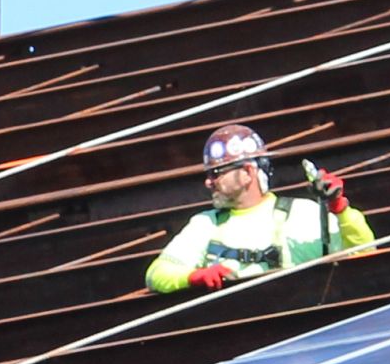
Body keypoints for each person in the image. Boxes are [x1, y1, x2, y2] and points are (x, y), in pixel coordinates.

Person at [144, 123, 375, 294]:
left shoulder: (301, 214)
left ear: (247, 172)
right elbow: (156, 274)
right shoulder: (206, 224)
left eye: (216, 173)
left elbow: (364, 253)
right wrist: (193, 276)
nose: (208, 182)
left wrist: (339, 208)